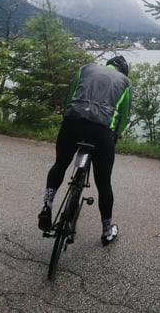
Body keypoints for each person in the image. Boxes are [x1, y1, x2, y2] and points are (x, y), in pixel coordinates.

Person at [37, 56, 132, 246]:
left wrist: (68, 119)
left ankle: (47, 206)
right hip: (100, 131)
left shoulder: (86, 69)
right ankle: (107, 230)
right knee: (104, 183)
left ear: (108, 65)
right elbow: (124, 117)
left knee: (60, 164)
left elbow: (69, 98)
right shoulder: (125, 82)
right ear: (122, 70)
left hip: (72, 123)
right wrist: (117, 135)